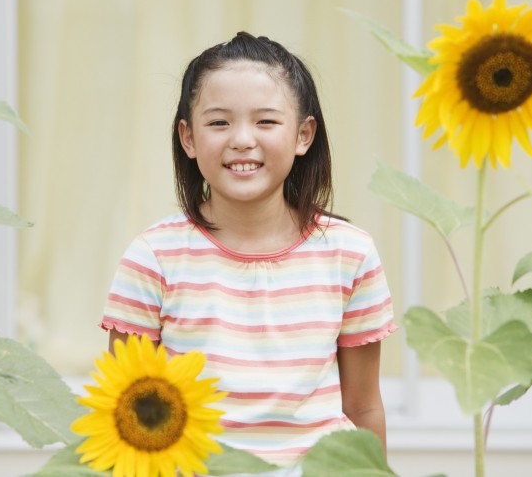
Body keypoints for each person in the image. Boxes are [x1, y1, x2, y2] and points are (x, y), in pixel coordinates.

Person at [100, 32, 397, 475]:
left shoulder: (349, 253)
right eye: (219, 123)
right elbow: (123, 412)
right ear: (188, 138)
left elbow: (364, 406)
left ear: (303, 135)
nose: (241, 139)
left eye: (265, 122)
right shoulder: (153, 258)